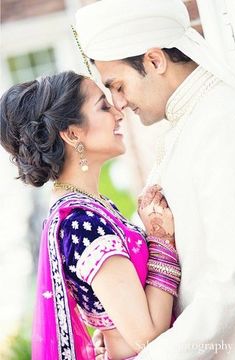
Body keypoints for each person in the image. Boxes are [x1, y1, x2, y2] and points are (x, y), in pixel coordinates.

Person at [75, 0, 235, 359]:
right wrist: (119, 329)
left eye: (118, 85)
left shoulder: (223, 122)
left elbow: (233, 278)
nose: (118, 104)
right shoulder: (189, 124)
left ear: (154, 60)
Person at [0, 71, 181, 360]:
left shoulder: (89, 208)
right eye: (102, 106)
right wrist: (162, 242)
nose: (118, 111)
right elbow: (147, 337)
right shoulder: (82, 224)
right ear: (72, 133)